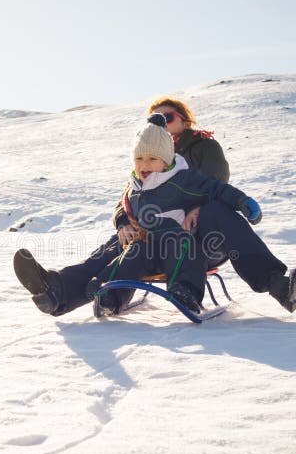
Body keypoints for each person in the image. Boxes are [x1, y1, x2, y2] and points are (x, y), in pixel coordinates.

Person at [14, 98, 296, 314]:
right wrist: (123, 223)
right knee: (116, 246)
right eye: (156, 118)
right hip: (154, 237)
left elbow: (216, 185)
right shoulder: (144, 162)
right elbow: (126, 198)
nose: (162, 122)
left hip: (200, 236)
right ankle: (56, 291)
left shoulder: (202, 148)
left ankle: (277, 285)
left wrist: (205, 205)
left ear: (183, 119)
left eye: (168, 117)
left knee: (219, 213)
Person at [85, 113, 267, 315]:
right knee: (133, 254)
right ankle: (109, 293)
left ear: (165, 161)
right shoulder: (135, 186)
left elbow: (217, 189)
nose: (144, 164)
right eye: (139, 158)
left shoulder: (182, 179)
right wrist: (122, 221)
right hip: (149, 244)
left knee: (183, 247)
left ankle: (185, 292)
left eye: (152, 158)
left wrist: (242, 201)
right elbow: (123, 205)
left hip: (179, 237)